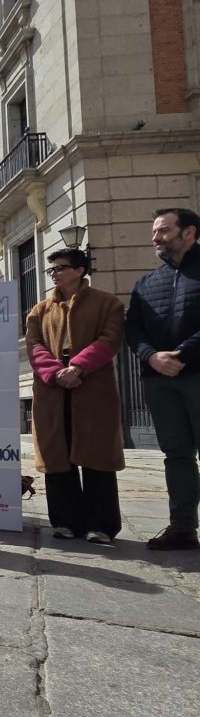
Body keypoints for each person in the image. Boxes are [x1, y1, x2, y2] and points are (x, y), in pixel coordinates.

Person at [26, 247, 125, 543]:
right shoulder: (40, 309)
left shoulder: (108, 303)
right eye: (51, 269)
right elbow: (34, 345)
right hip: (51, 388)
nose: (54, 274)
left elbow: (109, 340)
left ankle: (101, 525)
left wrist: (78, 368)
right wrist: (56, 372)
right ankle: (64, 521)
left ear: (80, 270)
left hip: (92, 387)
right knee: (57, 455)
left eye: (60, 268)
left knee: (96, 456)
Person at [126, 207, 200, 550]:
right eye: (155, 232)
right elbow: (133, 328)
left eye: (164, 231)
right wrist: (151, 356)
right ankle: (182, 527)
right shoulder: (146, 283)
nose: (156, 238)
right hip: (159, 379)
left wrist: (181, 355)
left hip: (196, 374)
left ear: (189, 232)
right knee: (176, 455)